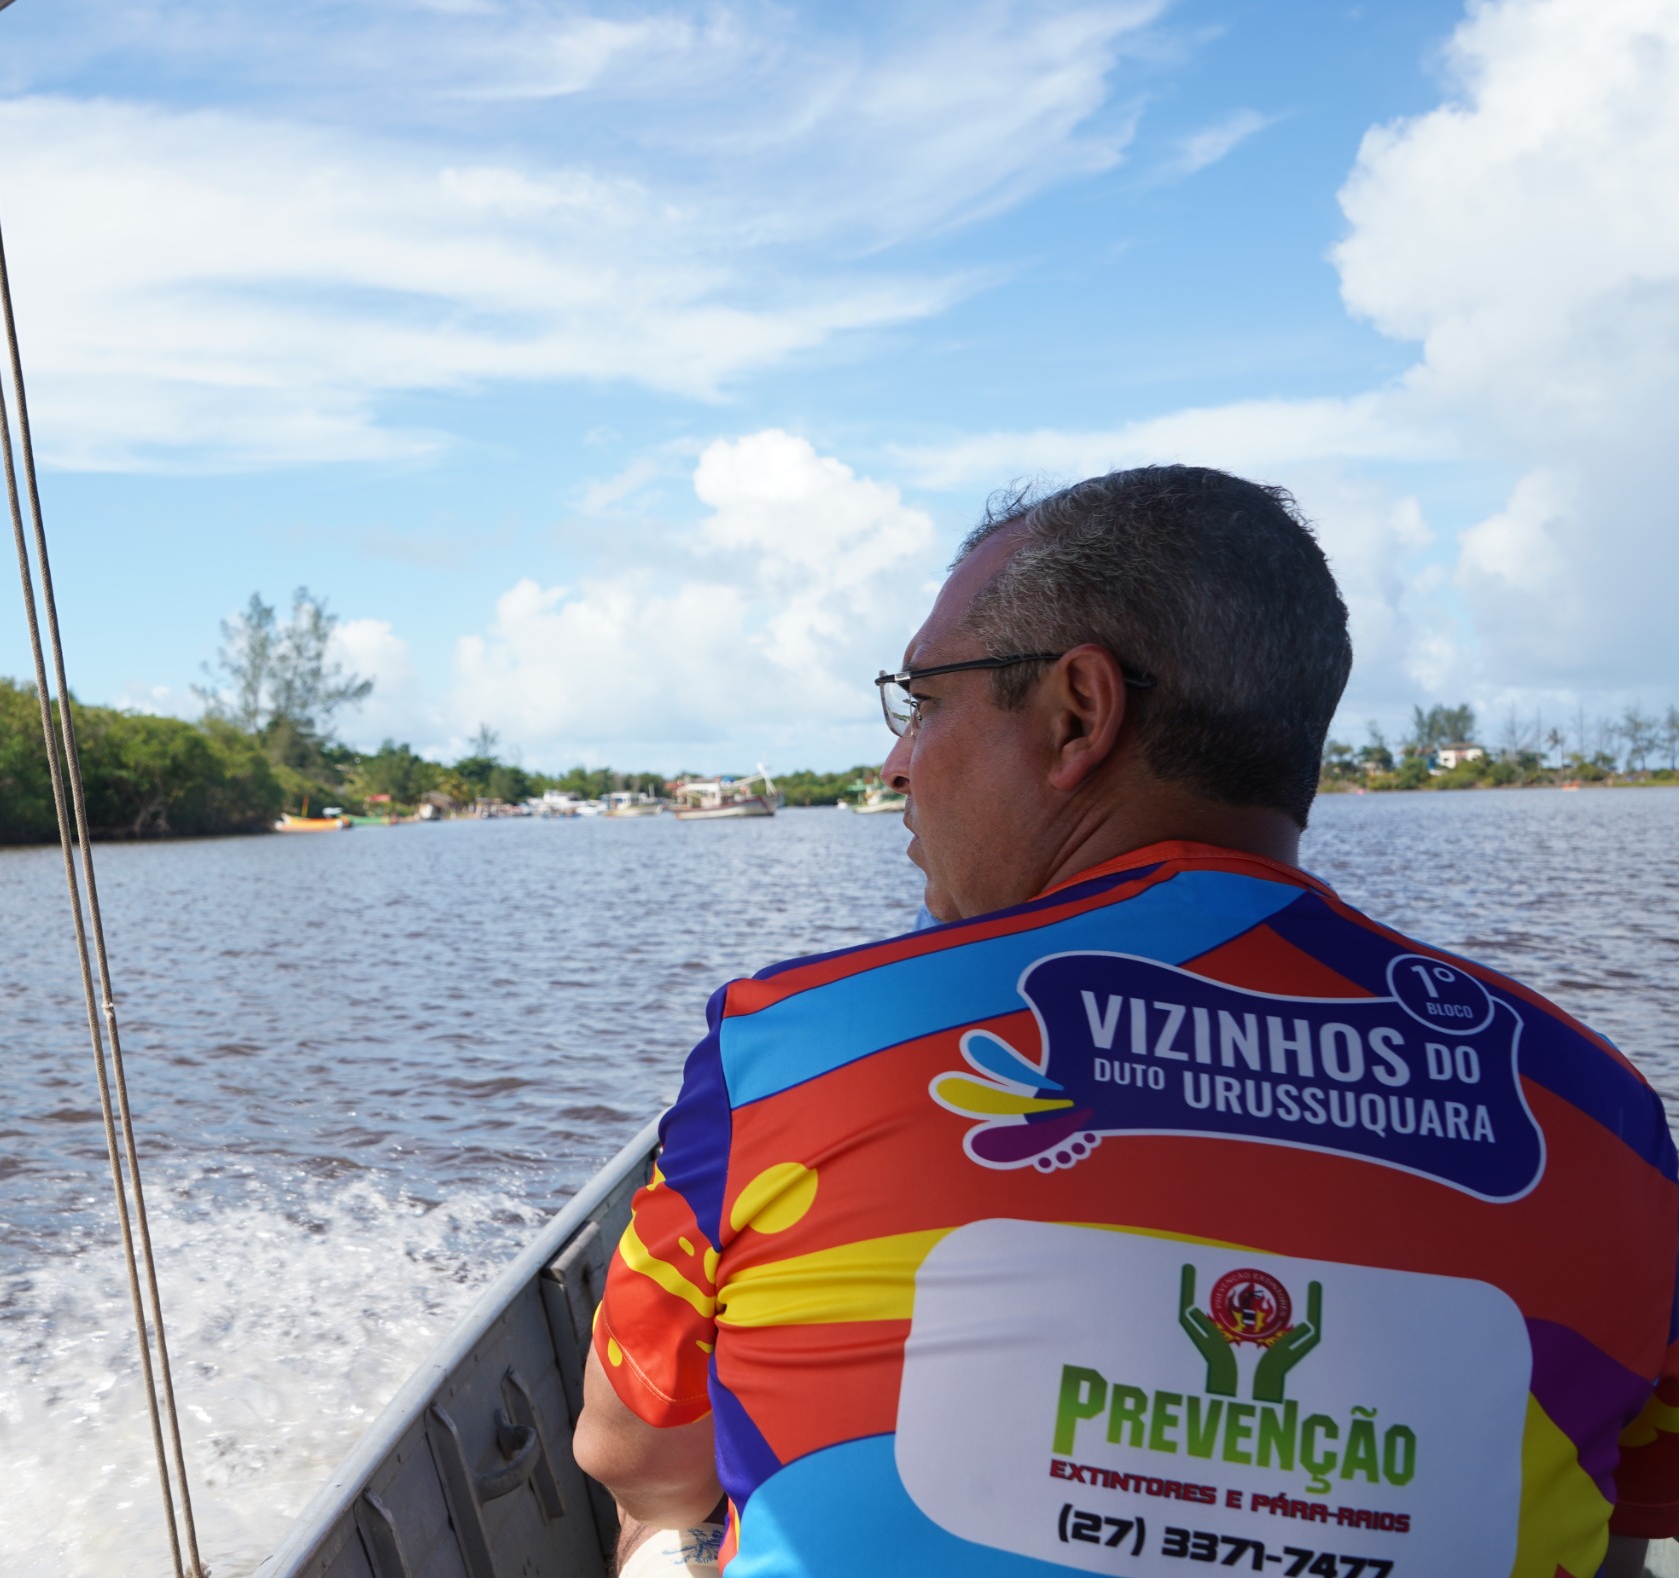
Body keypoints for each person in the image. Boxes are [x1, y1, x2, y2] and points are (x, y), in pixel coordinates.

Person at [573, 466, 1679, 1577]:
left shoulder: (800, 1047)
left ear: (1076, 714)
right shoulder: (1607, 1117)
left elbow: (637, 1457)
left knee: (667, 1530)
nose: (895, 763)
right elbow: (1626, 1533)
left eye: (924, 701)